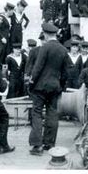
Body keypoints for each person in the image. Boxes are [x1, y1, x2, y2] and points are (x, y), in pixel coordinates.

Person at [28, 23, 70, 155]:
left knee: (37, 113)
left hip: (40, 87)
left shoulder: (44, 48)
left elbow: (37, 68)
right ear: (55, 34)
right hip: (55, 87)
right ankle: (49, 143)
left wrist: (31, 82)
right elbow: (66, 72)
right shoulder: (63, 50)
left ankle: (37, 145)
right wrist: (61, 85)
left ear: (45, 34)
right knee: (52, 113)